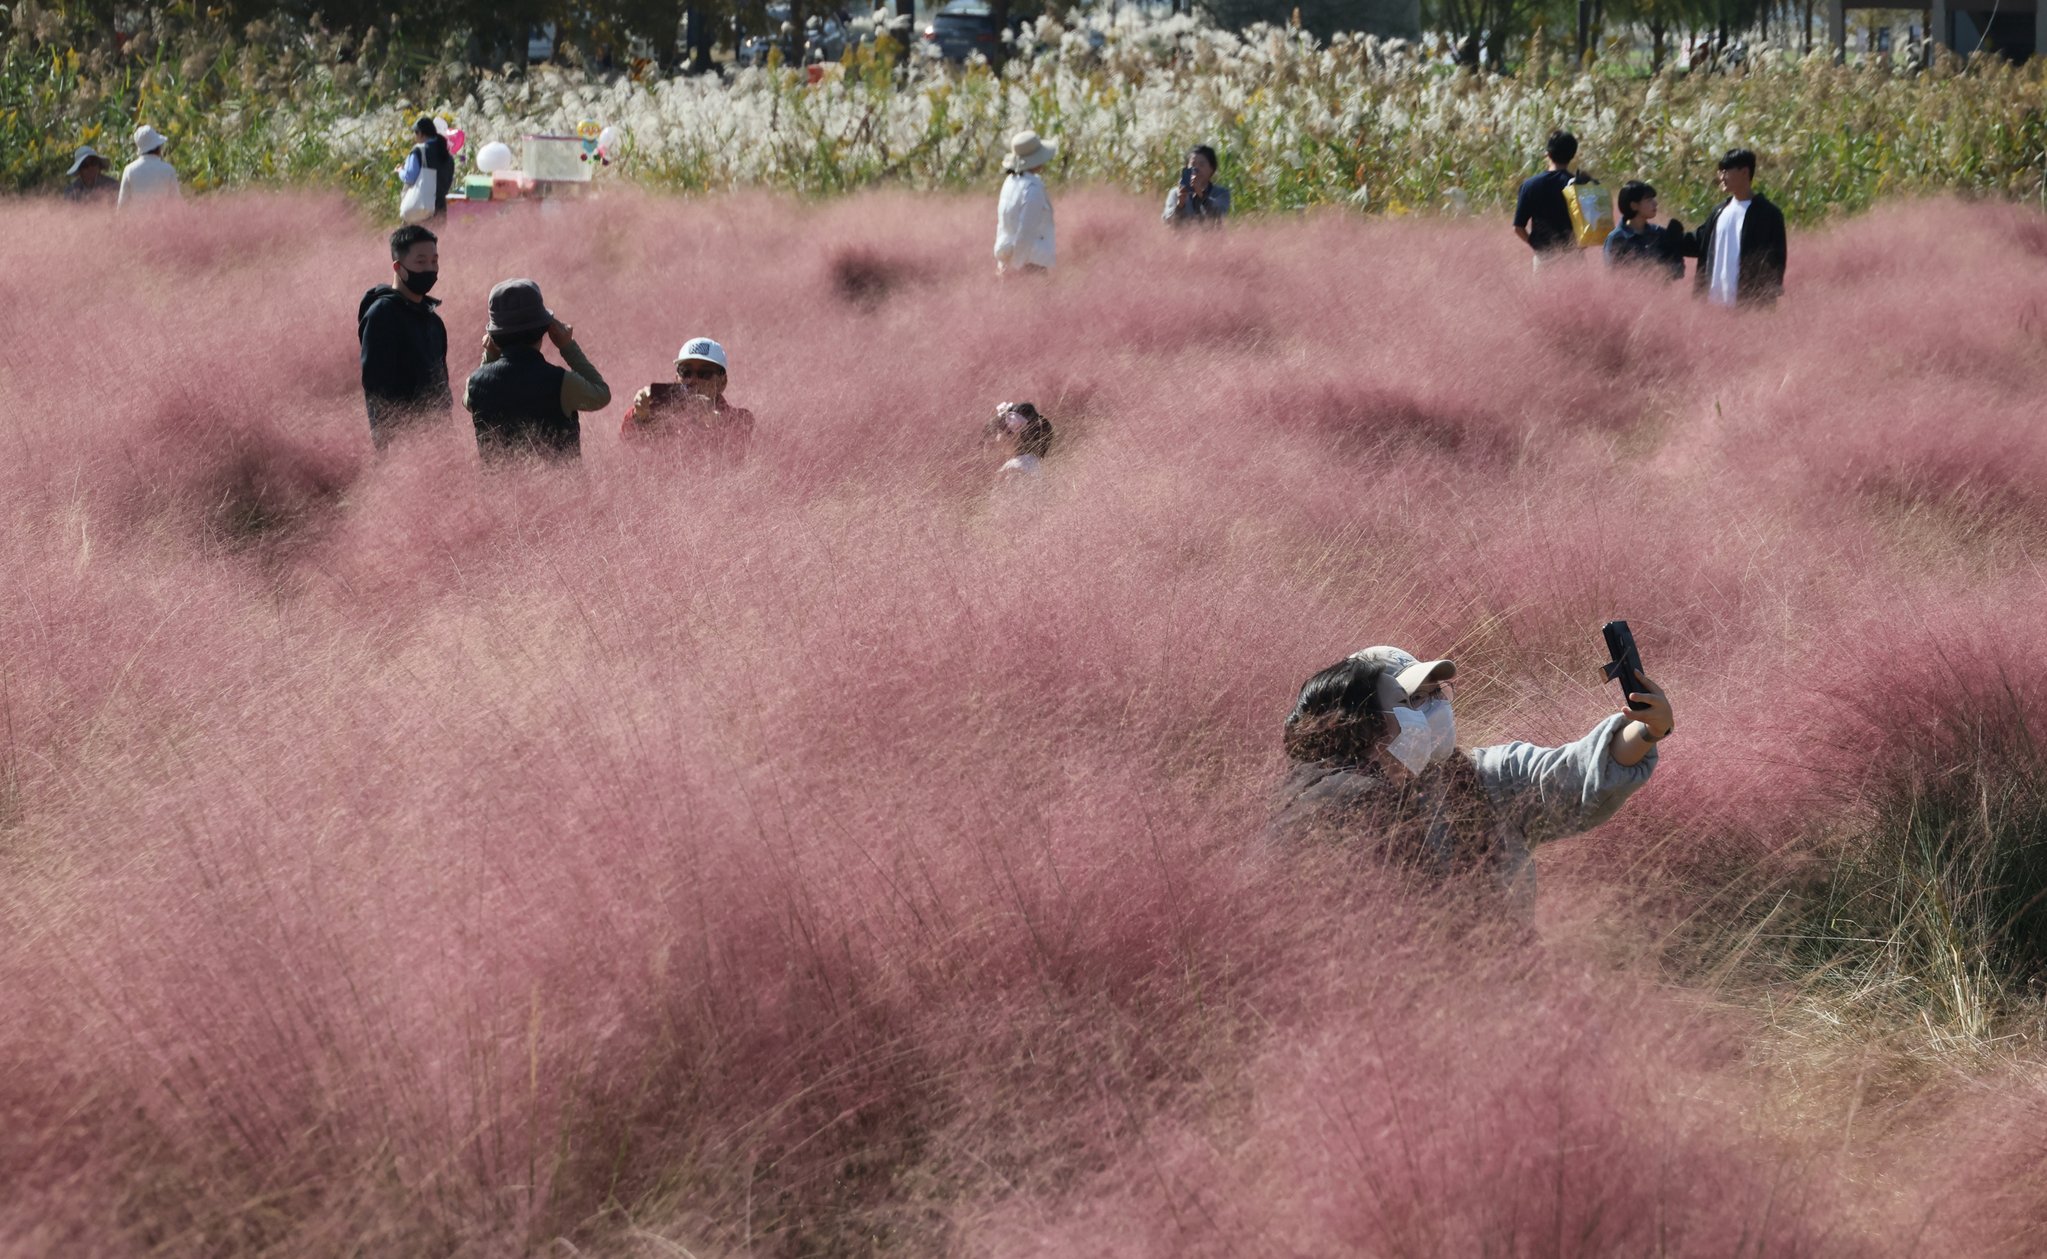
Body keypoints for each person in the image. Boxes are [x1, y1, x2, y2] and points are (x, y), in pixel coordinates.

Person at [1270, 645, 1672, 910]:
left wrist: (1644, 730)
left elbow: (1567, 774)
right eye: (1413, 699)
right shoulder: (1333, 804)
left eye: (1437, 693)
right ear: (1364, 723)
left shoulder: (1480, 781)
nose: (1434, 709)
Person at [464, 279, 611, 460]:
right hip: (561, 488)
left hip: (500, 488)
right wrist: (568, 346)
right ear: (544, 329)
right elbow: (602, 394)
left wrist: (490, 355)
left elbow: (476, 396)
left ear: (494, 335)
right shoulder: (562, 382)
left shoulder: (473, 384)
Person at [358, 224, 452, 450]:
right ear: (398, 267)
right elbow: (377, 390)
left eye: (434, 261)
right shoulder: (382, 315)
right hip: (404, 448)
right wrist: (388, 450)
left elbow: (440, 385)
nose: (430, 268)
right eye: (420, 262)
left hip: (436, 444)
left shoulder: (433, 321)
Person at [620, 337, 756, 460]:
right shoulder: (657, 417)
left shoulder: (740, 419)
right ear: (676, 377)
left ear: (722, 382)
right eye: (686, 372)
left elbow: (738, 457)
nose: (693, 380)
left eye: (705, 373)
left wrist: (715, 425)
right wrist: (639, 416)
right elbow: (628, 445)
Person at [1685, 149, 1787, 308]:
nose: (1721, 177)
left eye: (1725, 171)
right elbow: (1699, 242)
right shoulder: (1719, 211)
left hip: (1749, 307)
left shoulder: (1768, 214)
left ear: (1745, 172)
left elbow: (1776, 259)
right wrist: (1662, 237)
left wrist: (1766, 298)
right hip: (1712, 306)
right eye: (1720, 172)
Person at [993, 130, 1057, 276]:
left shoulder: (1010, 182)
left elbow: (1003, 226)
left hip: (1008, 258)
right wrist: (1016, 268)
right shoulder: (1032, 189)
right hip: (1029, 264)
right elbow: (1026, 232)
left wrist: (1004, 266)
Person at [1512, 130, 1579, 268]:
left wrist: (1535, 244)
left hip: (1544, 259)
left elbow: (1518, 227)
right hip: (1574, 257)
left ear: (1548, 154)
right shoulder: (1578, 185)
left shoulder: (1529, 185)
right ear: (1572, 156)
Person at [1602, 181, 1685, 281]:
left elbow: (1678, 272)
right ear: (1634, 205)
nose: (1655, 203)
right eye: (1649, 200)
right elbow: (1612, 276)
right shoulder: (1617, 238)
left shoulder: (1659, 233)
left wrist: (1675, 252)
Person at [398, 115, 457, 222]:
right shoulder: (448, 156)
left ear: (420, 133)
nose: (415, 137)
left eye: (415, 133)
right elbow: (449, 181)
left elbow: (410, 177)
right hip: (440, 210)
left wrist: (400, 171)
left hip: (421, 210)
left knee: (415, 239)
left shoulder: (419, 151)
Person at [1162, 144, 1231, 226]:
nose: (1196, 169)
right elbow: (1167, 222)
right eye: (1193, 164)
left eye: (1202, 165)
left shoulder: (1221, 193)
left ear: (1212, 169)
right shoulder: (1176, 193)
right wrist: (1180, 205)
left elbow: (1218, 216)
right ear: (1187, 167)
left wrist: (1201, 195)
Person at [117, 125, 181, 211]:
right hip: (163, 221)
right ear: (158, 148)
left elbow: (122, 205)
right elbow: (176, 202)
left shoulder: (129, 170)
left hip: (137, 223)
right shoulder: (168, 170)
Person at [985, 401, 1053, 476]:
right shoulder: (1034, 462)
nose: (997, 438)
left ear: (1015, 437)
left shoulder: (1011, 468)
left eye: (1000, 431)